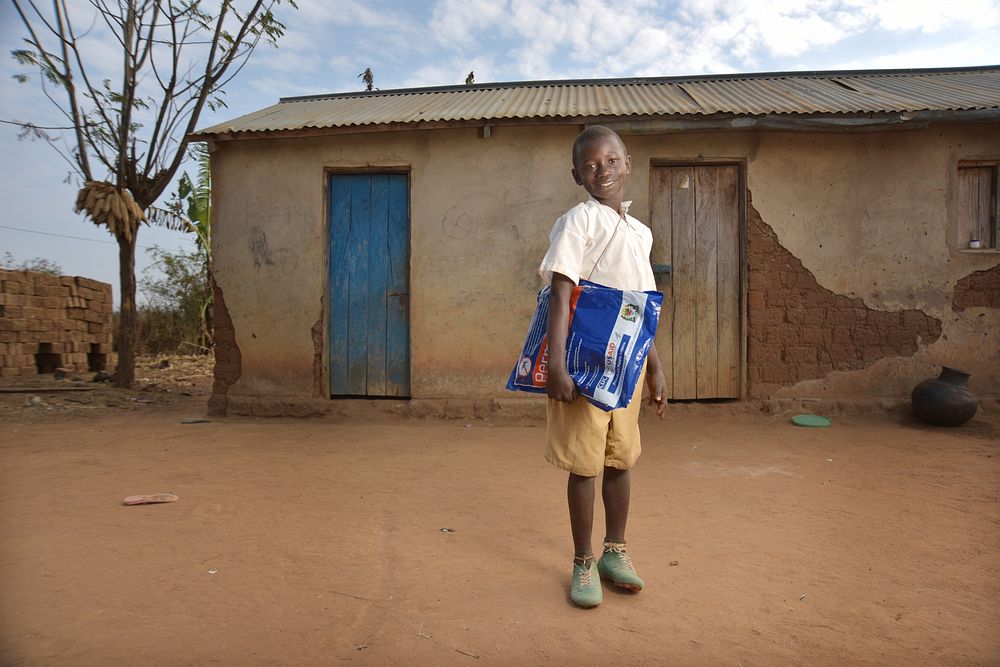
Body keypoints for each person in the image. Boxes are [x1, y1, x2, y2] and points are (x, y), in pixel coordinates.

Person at [539, 125, 666, 608]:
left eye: (611, 161)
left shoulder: (640, 232)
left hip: (626, 363)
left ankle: (616, 550)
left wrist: (654, 365)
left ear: (627, 164)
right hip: (582, 360)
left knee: (620, 457)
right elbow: (560, 290)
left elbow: (642, 304)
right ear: (577, 175)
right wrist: (556, 363)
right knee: (585, 465)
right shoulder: (578, 222)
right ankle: (583, 561)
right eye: (590, 165)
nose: (603, 171)